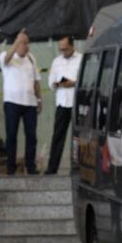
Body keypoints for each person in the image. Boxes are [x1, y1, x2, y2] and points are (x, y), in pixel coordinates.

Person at [0, 28, 42, 174]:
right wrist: (17, 40)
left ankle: (31, 166)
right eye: (22, 43)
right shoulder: (7, 56)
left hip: (30, 103)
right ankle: (11, 167)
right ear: (16, 44)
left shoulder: (31, 58)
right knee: (11, 135)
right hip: (12, 103)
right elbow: (5, 60)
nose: (25, 46)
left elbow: (36, 80)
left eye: (27, 43)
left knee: (31, 136)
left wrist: (39, 99)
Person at [44, 36, 81, 175]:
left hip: (76, 103)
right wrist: (57, 83)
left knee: (77, 138)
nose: (63, 52)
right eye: (61, 49)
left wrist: (74, 83)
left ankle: (77, 170)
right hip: (62, 103)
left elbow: (86, 80)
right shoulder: (56, 62)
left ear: (72, 46)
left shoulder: (81, 59)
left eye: (65, 49)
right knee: (58, 136)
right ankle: (52, 168)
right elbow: (50, 83)